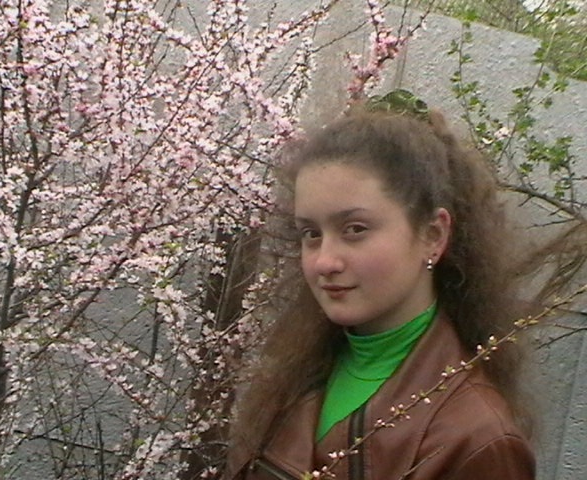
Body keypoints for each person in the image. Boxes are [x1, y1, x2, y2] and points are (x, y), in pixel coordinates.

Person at [223, 90, 539, 480]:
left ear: (433, 235)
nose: (324, 261)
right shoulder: (299, 373)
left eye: (355, 229)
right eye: (311, 233)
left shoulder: (476, 439)